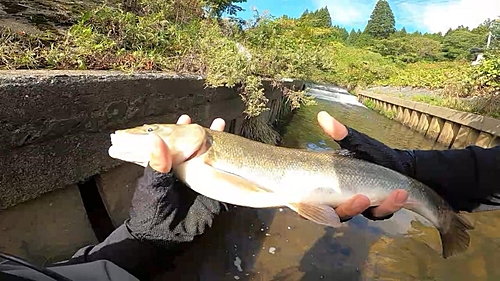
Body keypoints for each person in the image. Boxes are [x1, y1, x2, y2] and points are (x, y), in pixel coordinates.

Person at [1, 111, 499, 281]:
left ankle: (446, 221)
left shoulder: (204, 150)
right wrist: (144, 240)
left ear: (193, 136)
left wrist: (145, 239)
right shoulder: (199, 156)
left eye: (151, 128)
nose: (143, 134)